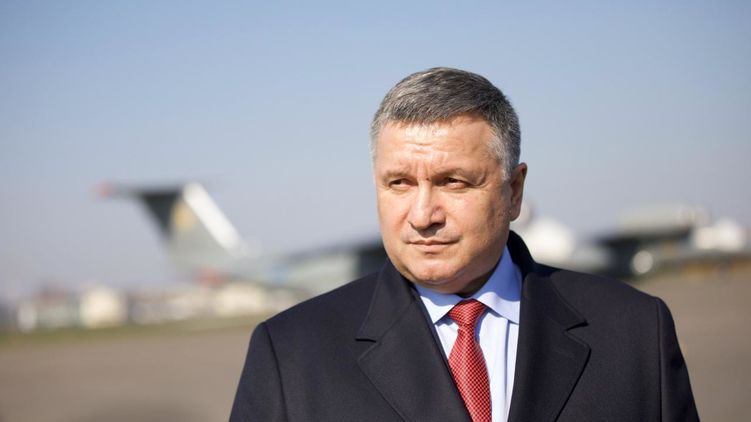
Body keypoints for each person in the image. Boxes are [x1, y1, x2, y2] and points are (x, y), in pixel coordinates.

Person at [230, 67, 699, 421]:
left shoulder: (636, 331)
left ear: (514, 191)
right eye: (398, 183)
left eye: (453, 182)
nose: (422, 215)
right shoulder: (290, 353)